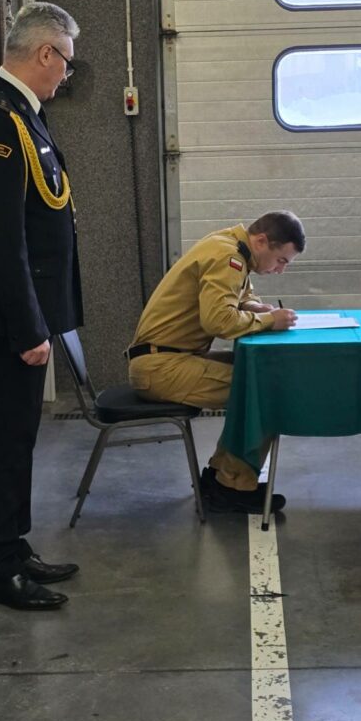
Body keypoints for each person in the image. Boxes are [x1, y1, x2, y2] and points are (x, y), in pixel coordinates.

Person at [0, 2, 84, 611]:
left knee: (19, 436)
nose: (66, 75)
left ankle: (12, 544)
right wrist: (30, 327)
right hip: (10, 319)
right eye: (66, 63)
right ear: (45, 53)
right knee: (6, 440)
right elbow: (0, 238)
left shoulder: (20, 113)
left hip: (24, 312)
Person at [126, 212, 305, 514]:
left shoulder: (231, 246)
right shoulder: (228, 257)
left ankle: (222, 478)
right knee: (266, 391)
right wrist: (268, 320)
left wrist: (255, 307)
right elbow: (218, 321)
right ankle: (232, 487)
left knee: (259, 374)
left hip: (169, 358)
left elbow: (236, 297)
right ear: (262, 241)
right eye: (281, 260)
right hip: (161, 368)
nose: (280, 270)